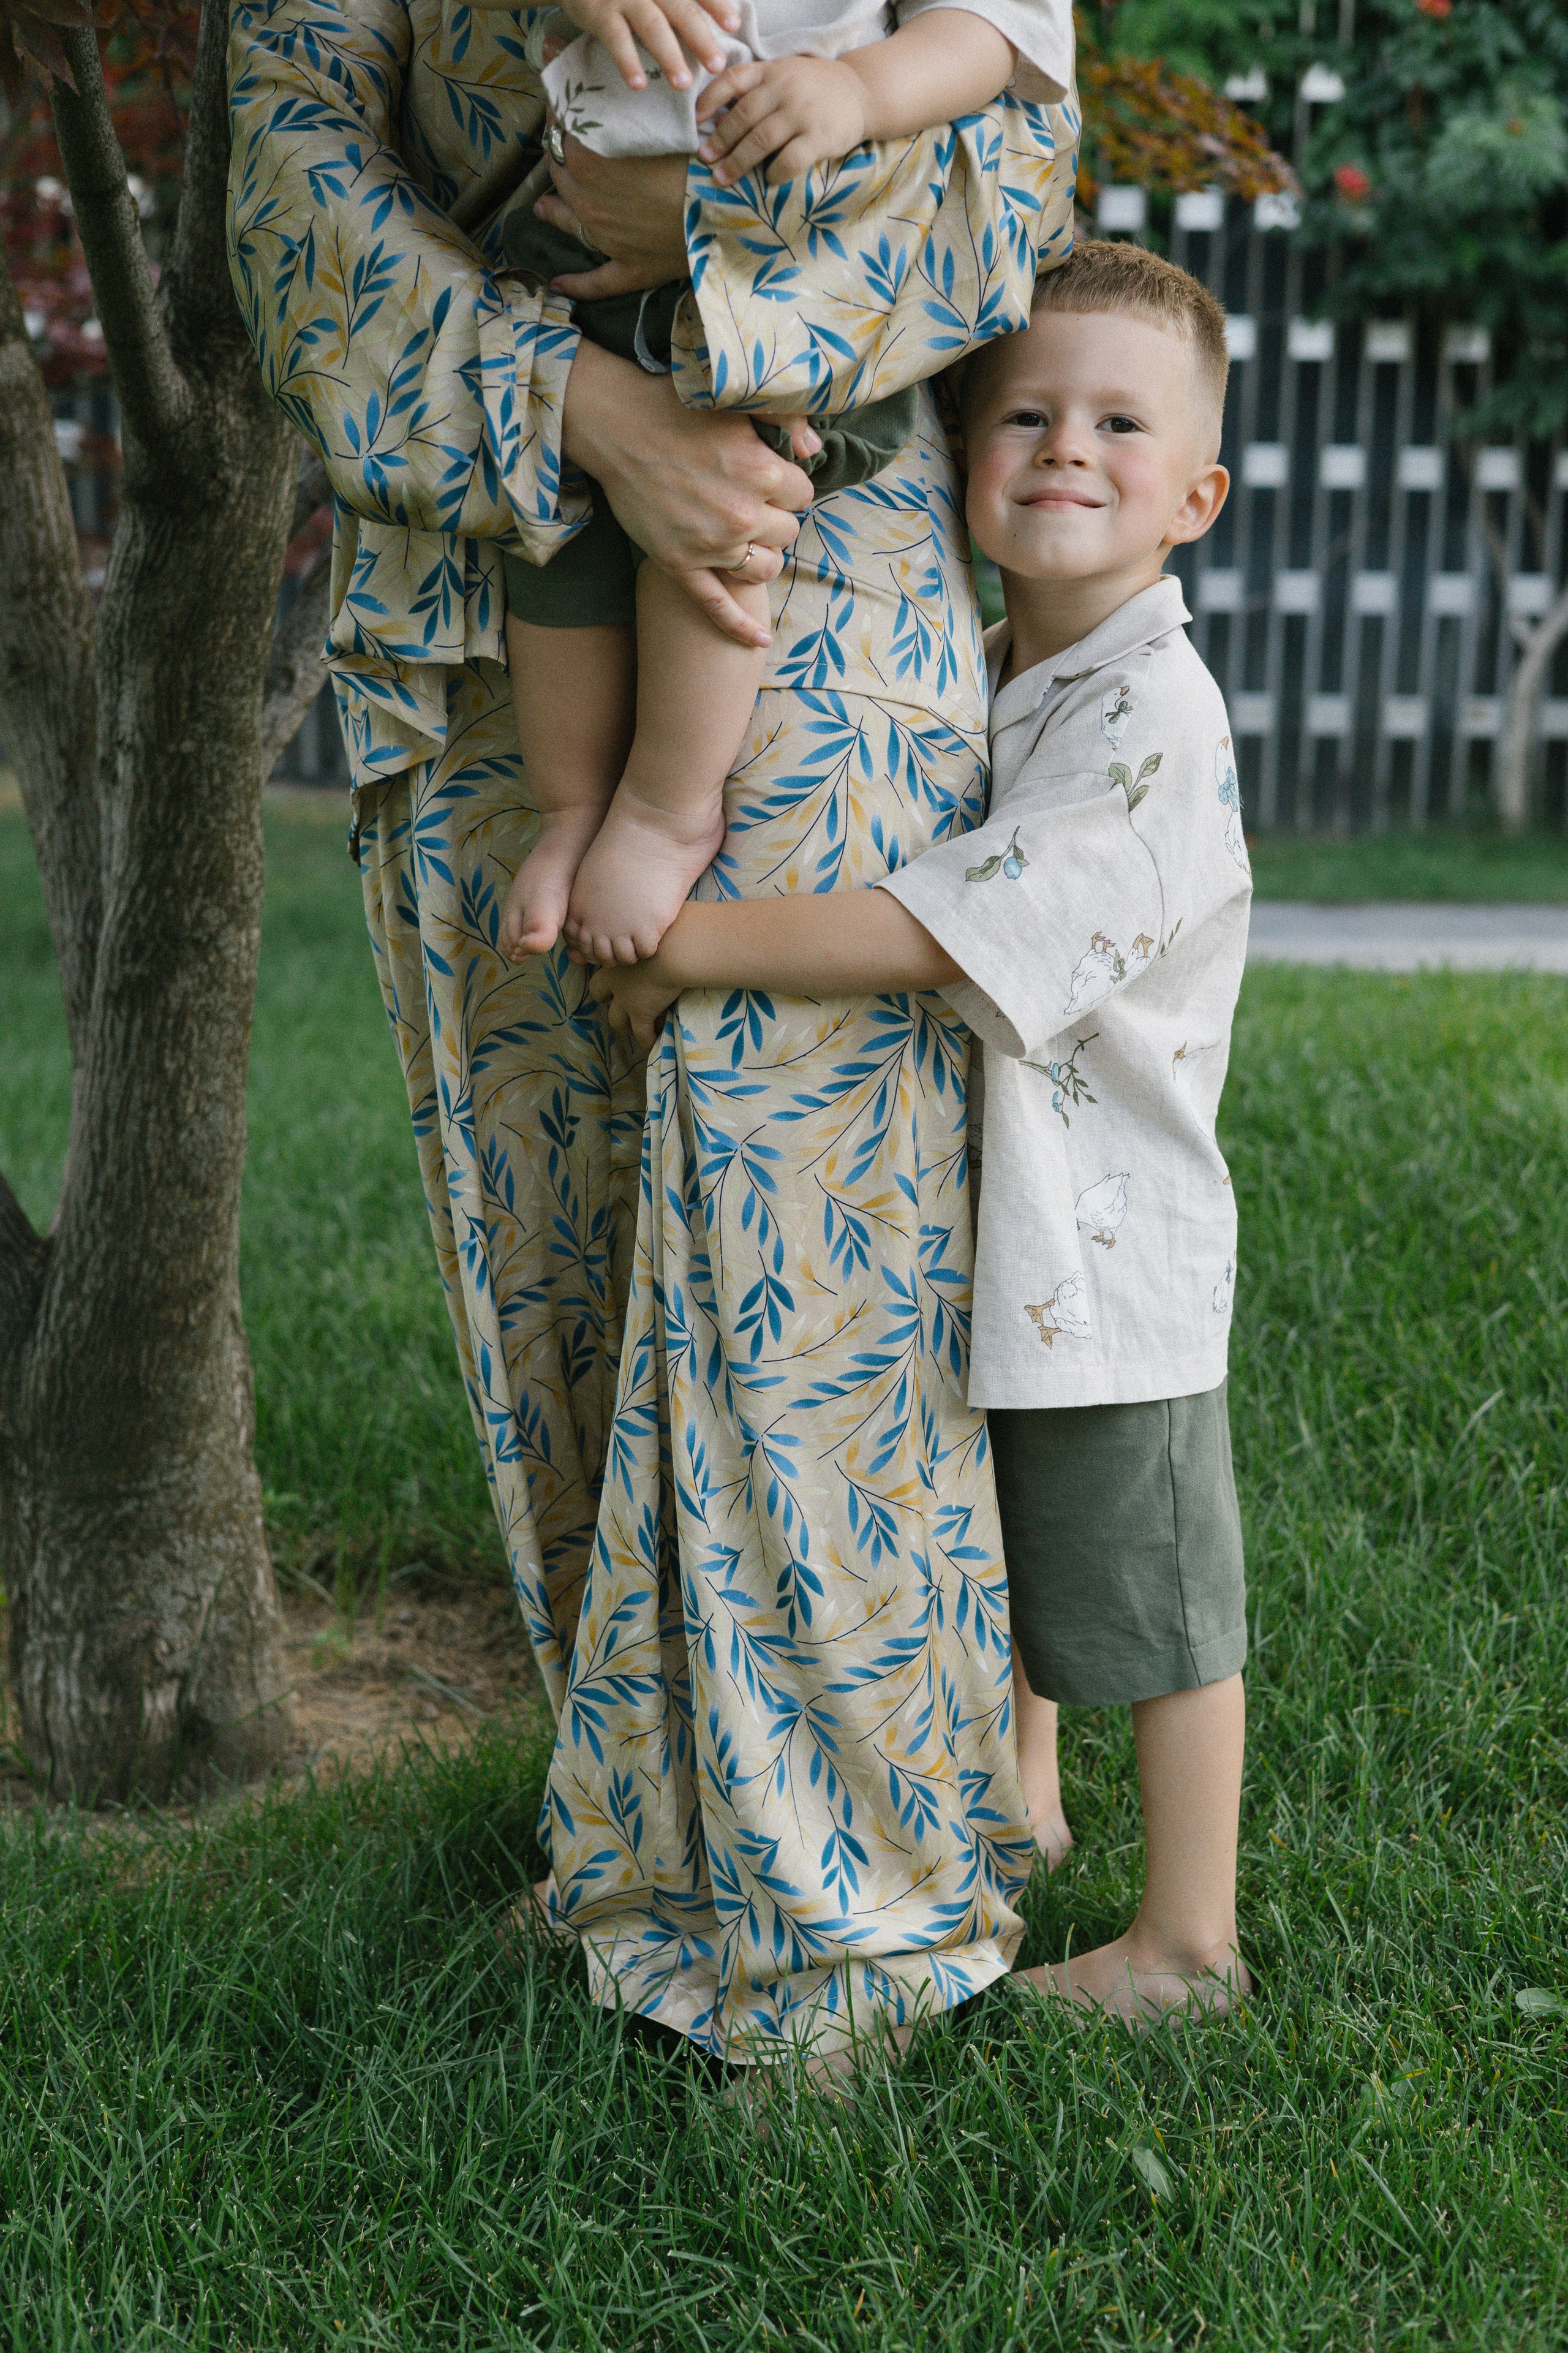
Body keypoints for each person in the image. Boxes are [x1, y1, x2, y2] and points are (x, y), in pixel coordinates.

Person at [228, 0, 1080, 2068]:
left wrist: (722, 244)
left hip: (814, 560)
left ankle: (850, 1929)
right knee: (563, 1283)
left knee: (821, 1280)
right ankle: (642, 1860)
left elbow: (1016, 168)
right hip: (501, 595)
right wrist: (582, 411)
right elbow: (288, 178)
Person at [589, 240, 1254, 2023]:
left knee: (1155, 1608)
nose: (1063, 448)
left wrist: (690, 953)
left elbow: (935, 927)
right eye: (1024, 411)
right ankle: (1019, 1805)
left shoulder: (1153, 722)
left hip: (1109, 1252)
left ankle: (1192, 1938)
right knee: (1008, 1551)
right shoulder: (986, 667)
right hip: (1000, 1237)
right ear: (961, 450)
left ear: (1195, 494)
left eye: (1120, 422)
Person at [499, 0, 1071, 969]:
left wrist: (861, 88)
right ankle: (573, 805)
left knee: (723, 525)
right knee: (551, 521)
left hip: (803, 274)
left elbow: (993, 28)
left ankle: (662, 809)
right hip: (578, 246)